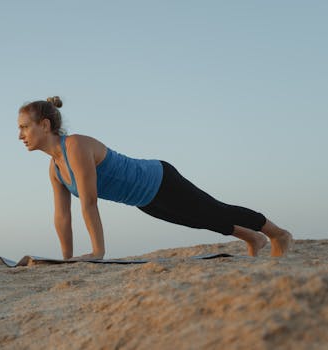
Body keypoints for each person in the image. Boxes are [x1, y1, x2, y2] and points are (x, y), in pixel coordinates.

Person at [17, 96, 293, 261]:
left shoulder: (75, 146)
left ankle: (277, 234)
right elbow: (62, 217)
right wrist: (66, 259)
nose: (21, 135)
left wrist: (97, 251)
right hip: (143, 200)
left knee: (214, 210)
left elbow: (88, 202)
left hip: (160, 179)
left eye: (24, 127)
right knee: (199, 220)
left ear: (45, 125)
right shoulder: (55, 170)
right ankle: (253, 239)